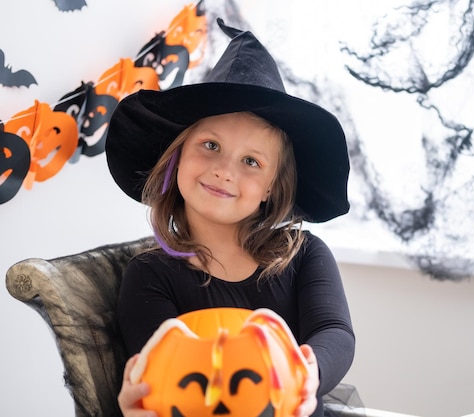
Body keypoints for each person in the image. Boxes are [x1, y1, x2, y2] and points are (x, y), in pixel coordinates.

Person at [105, 18, 355, 417]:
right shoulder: (150, 275)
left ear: (272, 187)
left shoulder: (305, 254)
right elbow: (164, 369)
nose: (224, 170)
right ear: (179, 155)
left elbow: (335, 332)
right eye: (210, 145)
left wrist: (307, 372)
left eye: (251, 161)